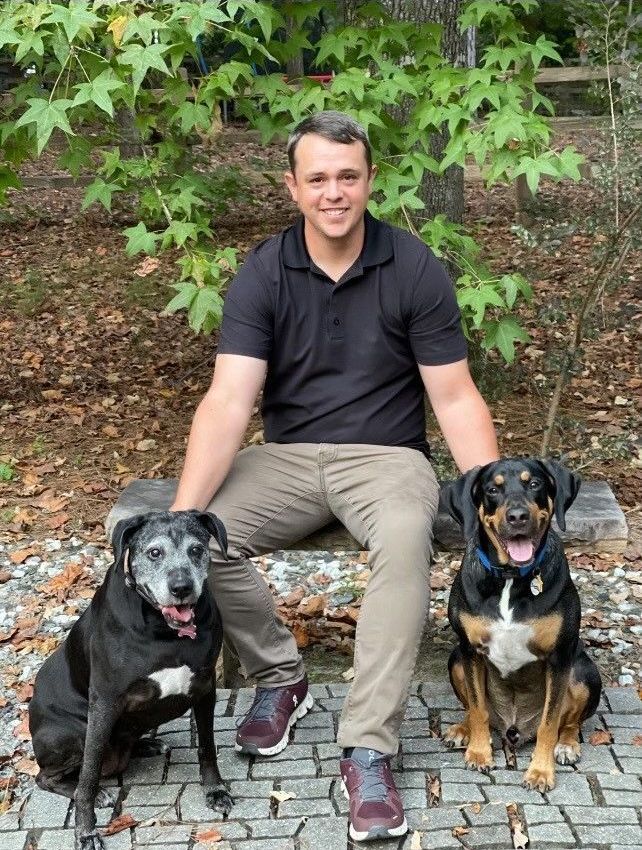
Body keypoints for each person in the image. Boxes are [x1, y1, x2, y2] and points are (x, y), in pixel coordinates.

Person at [170, 110, 499, 842]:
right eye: (317, 178)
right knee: (201, 537)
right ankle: (279, 678)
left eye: (348, 176)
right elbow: (229, 401)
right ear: (293, 186)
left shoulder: (412, 266)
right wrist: (181, 517)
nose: (334, 192)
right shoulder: (265, 270)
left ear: (369, 180)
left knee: (409, 535)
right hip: (285, 458)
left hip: (386, 459)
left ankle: (368, 747)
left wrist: (493, 495)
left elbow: (453, 395)